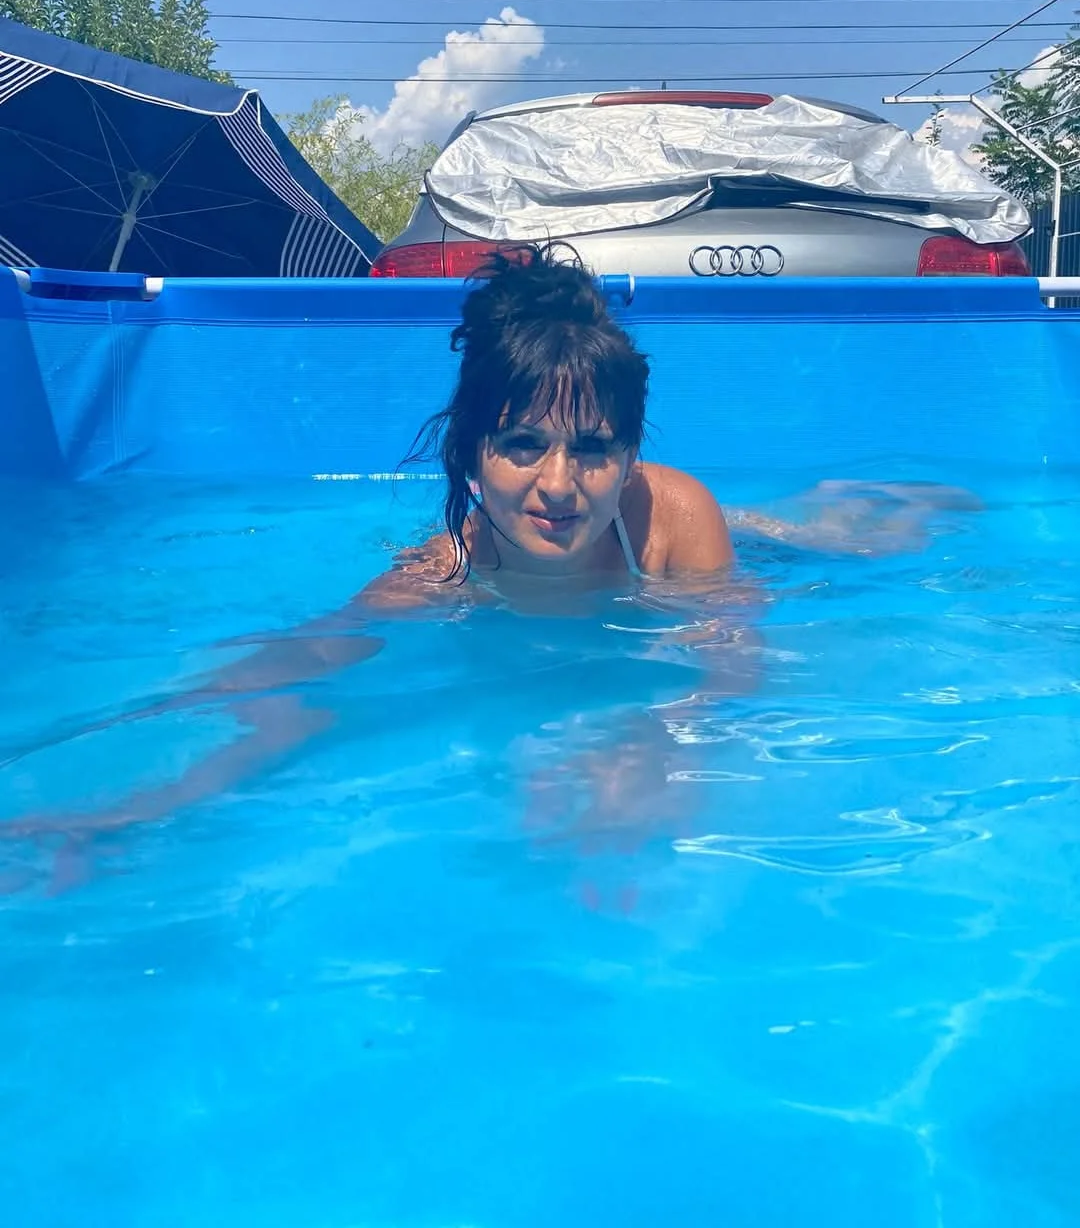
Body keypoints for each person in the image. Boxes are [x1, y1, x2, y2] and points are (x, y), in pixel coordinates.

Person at [0, 245, 974, 870]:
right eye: (522, 446)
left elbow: (733, 666)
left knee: (857, 543)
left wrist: (652, 743)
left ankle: (871, 500)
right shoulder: (439, 579)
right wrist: (129, 805)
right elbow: (287, 685)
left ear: (629, 457)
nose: (559, 485)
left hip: (686, 553)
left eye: (593, 451)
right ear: (471, 455)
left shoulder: (674, 518)